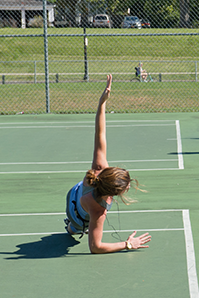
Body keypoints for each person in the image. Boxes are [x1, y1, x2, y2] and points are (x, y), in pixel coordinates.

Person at [65, 75, 151, 254]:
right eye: (125, 187)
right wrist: (127, 244)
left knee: (78, 217)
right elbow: (95, 247)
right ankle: (71, 227)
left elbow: (100, 131)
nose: (128, 187)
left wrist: (102, 102)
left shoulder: (99, 166)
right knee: (75, 229)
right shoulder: (98, 211)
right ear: (113, 193)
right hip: (79, 216)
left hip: (74, 191)